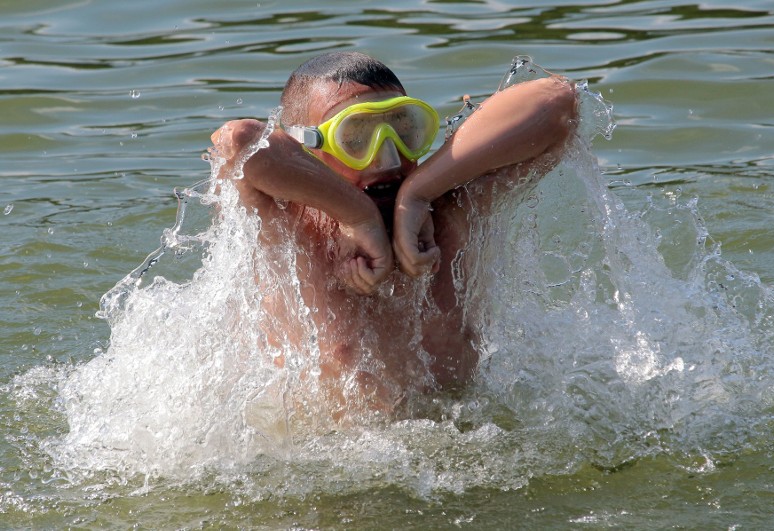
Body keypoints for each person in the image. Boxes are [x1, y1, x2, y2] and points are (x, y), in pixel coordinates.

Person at [209, 52, 577, 419]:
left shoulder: (455, 209)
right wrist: (358, 216)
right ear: (306, 148)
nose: (387, 158)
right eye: (354, 138)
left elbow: (558, 101)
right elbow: (238, 142)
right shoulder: (286, 225)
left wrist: (417, 196)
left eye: (404, 131)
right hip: (326, 452)